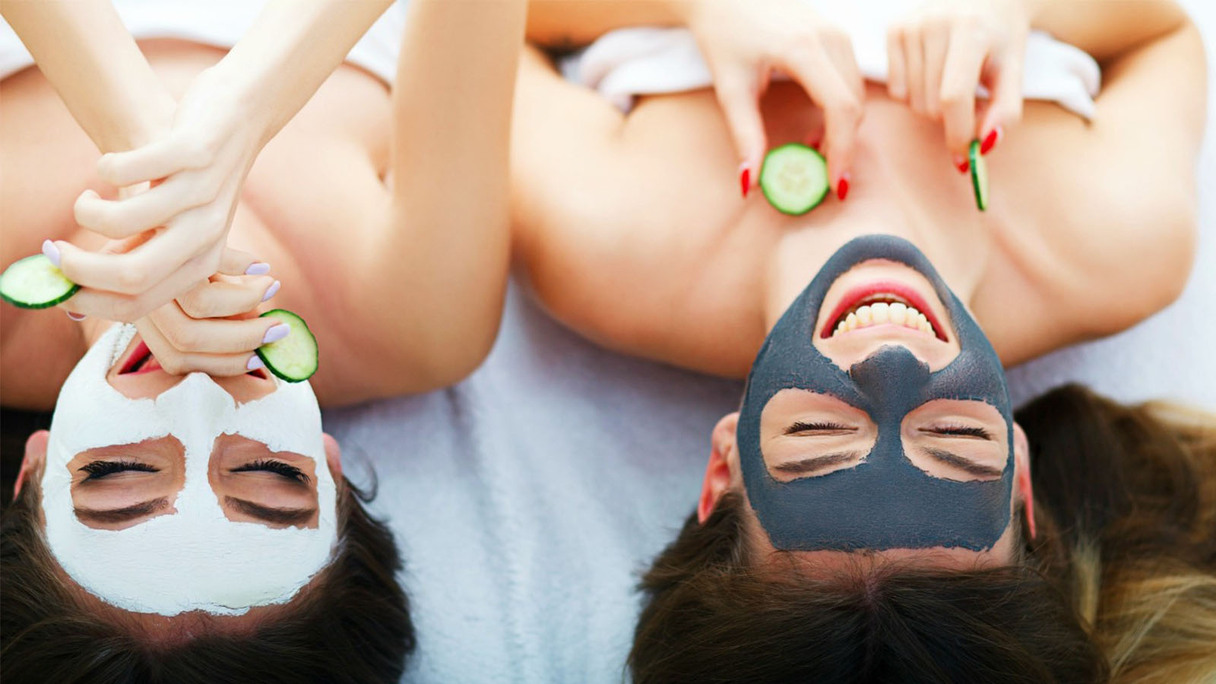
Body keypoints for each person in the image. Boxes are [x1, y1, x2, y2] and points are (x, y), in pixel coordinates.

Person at [511, 0, 1213, 679]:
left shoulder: (607, 241)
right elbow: (1161, 34)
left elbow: (492, 27)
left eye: (817, 433)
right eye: (956, 438)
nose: (892, 362)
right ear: (1021, 476)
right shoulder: (1116, 242)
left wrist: (699, 9)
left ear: (724, 471)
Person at [0, 0, 527, 681]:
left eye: (117, 472)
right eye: (270, 475)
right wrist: (246, 105)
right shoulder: (422, 321)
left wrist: (148, 145)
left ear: (32, 471)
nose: (196, 402)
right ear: (332, 474)